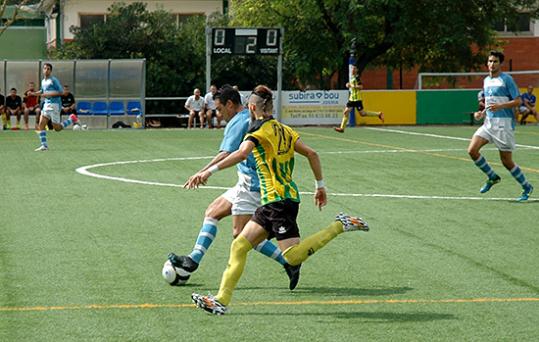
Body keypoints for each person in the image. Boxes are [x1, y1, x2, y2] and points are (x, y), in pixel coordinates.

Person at [189, 85, 369, 315]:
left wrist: (208, 172)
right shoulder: (285, 130)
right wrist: (320, 186)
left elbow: (241, 154)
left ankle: (339, 226)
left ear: (252, 107)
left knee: (292, 257)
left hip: (280, 202)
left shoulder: (258, 133)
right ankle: (221, 300)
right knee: (240, 245)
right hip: (271, 202)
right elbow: (313, 154)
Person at [169, 85, 299, 289]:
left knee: (241, 235)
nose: (219, 115)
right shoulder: (249, 116)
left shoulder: (238, 123)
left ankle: (288, 262)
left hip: (253, 187)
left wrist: (203, 172)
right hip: (246, 183)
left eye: (220, 109)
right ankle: (193, 260)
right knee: (212, 211)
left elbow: (226, 153)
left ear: (230, 104)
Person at [468, 51, 533, 202]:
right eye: (490, 61)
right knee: (472, 150)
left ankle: (526, 186)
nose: (492, 64)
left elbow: (518, 101)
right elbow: (489, 103)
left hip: (504, 124)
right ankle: (492, 176)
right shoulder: (486, 81)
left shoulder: (507, 80)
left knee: (506, 161)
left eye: (495, 61)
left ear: (500, 63)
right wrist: (481, 113)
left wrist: (501, 105)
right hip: (488, 123)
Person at [30, 63, 79, 151]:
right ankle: (44, 146)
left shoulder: (53, 80)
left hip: (54, 105)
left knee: (57, 128)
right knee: (41, 124)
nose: (46, 70)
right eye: (45, 68)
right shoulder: (43, 81)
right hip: (46, 104)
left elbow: (61, 92)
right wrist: (33, 93)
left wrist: (47, 94)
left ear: (51, 70)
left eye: (48, 69)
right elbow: (42, 91)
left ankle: (71, 119)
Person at [334, 65, 384, 133]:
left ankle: (378, 114)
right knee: (346, 112)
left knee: (362, 113)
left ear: (357, 70)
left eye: (354, 69)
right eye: (352, 69)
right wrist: (347, 84)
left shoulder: (357, 78)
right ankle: (342, 128)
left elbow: (361, 87)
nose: (352, 70)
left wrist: (351, 86)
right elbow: (351, 86)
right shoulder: (352, 78)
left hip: (357, 99)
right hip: (352, 98)